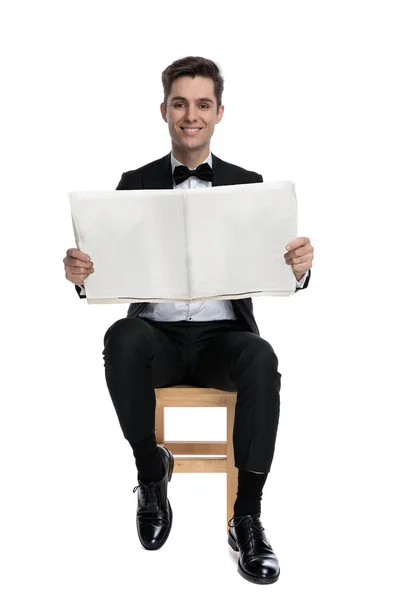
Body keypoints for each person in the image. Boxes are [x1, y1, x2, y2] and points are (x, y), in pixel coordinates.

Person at [63, 56, 314, 585]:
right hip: (159, 338)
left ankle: (247, 516)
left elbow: (276, 269)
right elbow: (108, 269)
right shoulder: (134, 182)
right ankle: (151, 473)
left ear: (219, 112)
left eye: (203, 104)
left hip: (225, 339)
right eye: (180, 104)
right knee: (121, 336)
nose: (191, 115)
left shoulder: (249, 185)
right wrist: (82, 273)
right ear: (164, 110)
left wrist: (300, 268)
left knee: (261, 358)